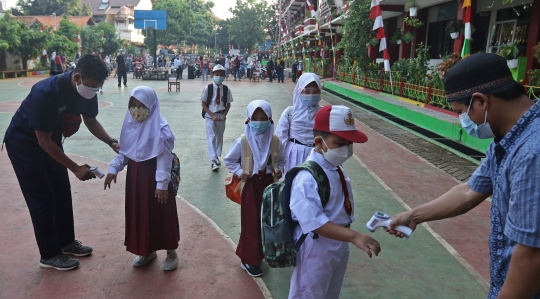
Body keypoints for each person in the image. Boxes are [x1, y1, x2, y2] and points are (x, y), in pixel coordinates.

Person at [386, 53, 540, 299]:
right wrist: (413, 216)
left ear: (480, 101)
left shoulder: (533, 150)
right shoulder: (507, 138)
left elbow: (532, 254)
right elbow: (469, 191)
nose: (463, 122)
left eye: (461, 111)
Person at [3, 54, 119, 271]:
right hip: (25, 144)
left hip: (51, 139)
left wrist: (111, 142)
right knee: (42, 197)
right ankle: (49, 254)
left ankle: (66, 242)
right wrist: (74, 167)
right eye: (93, 86)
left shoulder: (87, 90)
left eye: (98, 88)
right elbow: (42, 141)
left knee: (61, 190)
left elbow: (91, 121)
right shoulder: (44, 92)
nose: (94, 91)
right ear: (77, 78)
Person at [288, 105, 381, 298]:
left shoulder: (335, 166)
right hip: (316, 245)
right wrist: (355, 236)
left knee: (330, 292)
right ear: (319, 142)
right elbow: (314, 222)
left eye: (349, 144)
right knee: (309, 293)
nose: (346, 149)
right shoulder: (306, 178)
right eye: (340, 143)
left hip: (339, 242)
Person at [104, 86, 180, 271]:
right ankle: (147, 250)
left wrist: (162, 183)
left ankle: (171, 252)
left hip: (155, 177)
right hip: (136, 178)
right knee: (141, 214)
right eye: (133, 105)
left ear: (152, 105)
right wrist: (114, 168)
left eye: (142, 105)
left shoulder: (161, 128)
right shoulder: (130, 124)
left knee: (162, 213)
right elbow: (126, 152)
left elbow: (164, 157)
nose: (137, 110)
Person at [224, 100, 286, 277]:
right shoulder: (243, 141)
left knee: (269, 220)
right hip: (251, 185)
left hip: (268, 184)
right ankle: (248, 258)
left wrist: (278, 169)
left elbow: (281, 159)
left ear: (270, 120)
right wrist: (239, 171)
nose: (259, 122)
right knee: (250, 220)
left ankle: (264, 252)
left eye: (263, 118)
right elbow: (229, 160)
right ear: (248, 120)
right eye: (255, 118)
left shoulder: (274, 140)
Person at [276, 73, 322, 175]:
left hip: (317, 155)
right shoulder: (290, 112)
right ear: (299, 91)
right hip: (293, 154)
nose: (311, 95)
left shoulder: (323, 113)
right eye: (306, 91)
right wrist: (279, 163)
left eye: (315, 92)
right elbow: (281, 138)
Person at [200, 64, 233, 170]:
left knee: (219, 137)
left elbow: (228, 104)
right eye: (217, 74)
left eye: (221, 75)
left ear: (224, 76)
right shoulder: (208, 88)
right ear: (212, 75)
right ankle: (213, 160)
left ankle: (217, 156)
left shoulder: (226, 89)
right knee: (211, 137)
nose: (219, 77)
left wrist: (224, 115)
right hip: (210, 116)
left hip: (221, 116)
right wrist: (212, 115)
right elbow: (203, 103)